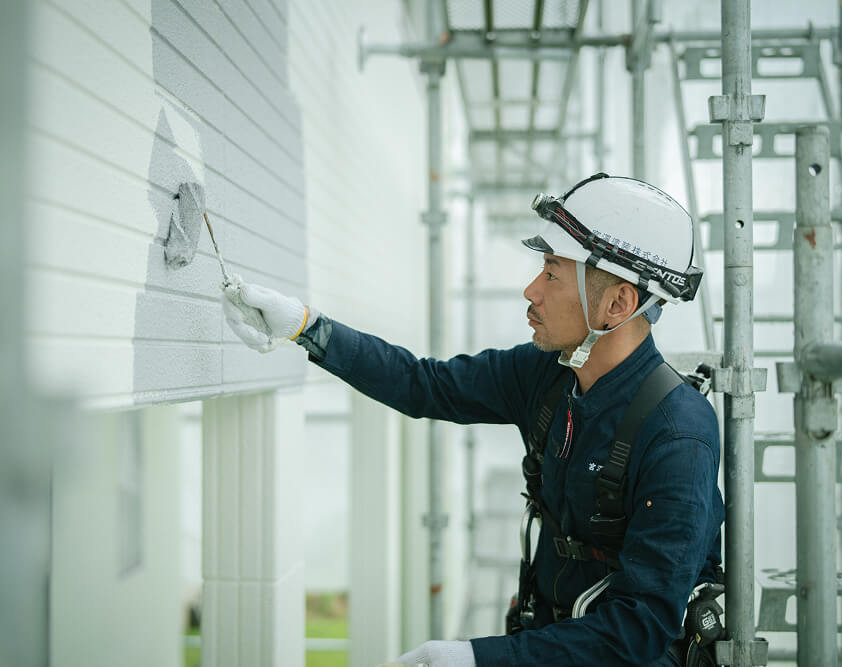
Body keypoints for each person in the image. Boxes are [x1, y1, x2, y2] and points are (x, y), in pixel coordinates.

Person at [222, 174, 725, 666]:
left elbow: (639, 629)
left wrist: (478, 658)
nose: (531, 291)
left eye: (551, 272)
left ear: (618, 303)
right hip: (546, 639)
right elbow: (424, 384)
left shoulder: (677, 435)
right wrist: (307, 328)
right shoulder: (546, 376)